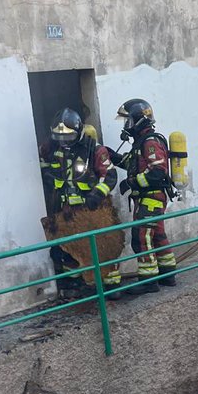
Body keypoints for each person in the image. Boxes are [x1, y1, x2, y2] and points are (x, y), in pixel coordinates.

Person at [39, 108, 121, 299]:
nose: (63, 141)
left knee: (102, 246)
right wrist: (48, 175)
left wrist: (97, 196)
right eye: (59, 137)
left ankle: (112, 285)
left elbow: (110, 175)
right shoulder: (54, 148)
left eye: (68, 136)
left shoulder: (94, 149)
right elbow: (44, 161)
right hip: (66, 210)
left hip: (92, 210)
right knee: (69, 248)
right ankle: (77, 284)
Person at [113, 98, 177, 294]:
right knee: (157, 234)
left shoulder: (150, 143)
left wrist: (131, 182)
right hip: (149, 198)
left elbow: (157, 172)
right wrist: (112, 156)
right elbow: (133, 163)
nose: (126, 126)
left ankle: (149, 281)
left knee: (141, 237)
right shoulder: (140, 143)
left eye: (128, 121)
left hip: (151, 197)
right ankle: (167, 274)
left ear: (138, 120)